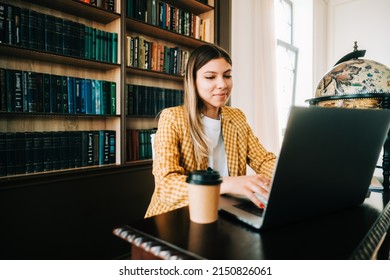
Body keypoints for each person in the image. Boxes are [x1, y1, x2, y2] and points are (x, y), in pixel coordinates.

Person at [145, 44, 276, 218]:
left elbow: (263, 160)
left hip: (223, 211)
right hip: (176, 216)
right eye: (210, 77)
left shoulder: (236, 117)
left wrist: (289, 175)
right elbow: (166, 186)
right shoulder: (172, 118)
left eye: (227, 75)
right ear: (193, 80)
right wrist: (226, 183)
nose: (222, 84)